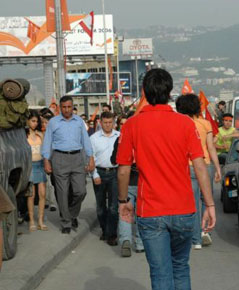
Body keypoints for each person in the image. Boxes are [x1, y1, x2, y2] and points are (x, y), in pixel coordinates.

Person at [117, 68, 215, 290]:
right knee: (180, 267)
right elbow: (200, 166)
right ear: (169, 92)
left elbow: (123, 170)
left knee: (160, 273)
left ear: (145, 92)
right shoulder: (185, 124)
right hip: (183, 209)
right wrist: (209, 204)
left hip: (150, 211)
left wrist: (123, 201)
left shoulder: (132, 125)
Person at [41, 96, 95, 234]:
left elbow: (86, 140)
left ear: (72, 107)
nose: (66, 109)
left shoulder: (79, 121)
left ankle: (71, 214)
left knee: (80, 191)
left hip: (77, 158)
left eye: (69, 107)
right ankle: (66, 222)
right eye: (64, 107)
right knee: (62, 192)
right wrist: (46, 160)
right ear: (60, 107)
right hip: (59, 158)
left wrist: (90, 158)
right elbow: (47, 142)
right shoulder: (53, 122)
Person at [176, 94, 222, 249]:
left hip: (188, 167)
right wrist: (217, 167)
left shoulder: (180, 124)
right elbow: (211, 147)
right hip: (206, 164)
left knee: (193, 203)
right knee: (206, 200)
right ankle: (204, 231)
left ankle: (196, 239)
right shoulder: (205, 124)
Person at [111, 111, 144, 257]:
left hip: (126, 181)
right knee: (141, 214)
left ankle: (125, 239)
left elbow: (114, 160)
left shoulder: (120, 140)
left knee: (125, 209)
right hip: (143, 182)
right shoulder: (145, 139)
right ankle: (140, 243)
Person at [90, 111, 120, 245]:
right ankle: (104, 230)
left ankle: (112, 234)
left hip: (115, 173)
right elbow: (91, 158)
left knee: (114, 206)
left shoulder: (119, 137)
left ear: (113, 123)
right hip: (99, 173)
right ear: (100, 123)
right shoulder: (94, 138)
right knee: (101, 206)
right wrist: (94, 174)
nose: (108, 125)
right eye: (105, 122)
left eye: (110, 122)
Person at [26, 110, 49, 231]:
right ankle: (31, 220)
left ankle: (40, 220)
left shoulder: (41, 134)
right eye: (32, 121)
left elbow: (46, 151)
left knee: (42, 194)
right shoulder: (23, 135)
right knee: (31, 195)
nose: (35, 123)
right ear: (28, 121)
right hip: (29, 166)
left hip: (40, 165)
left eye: (36, 121)